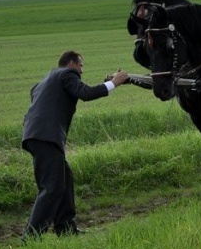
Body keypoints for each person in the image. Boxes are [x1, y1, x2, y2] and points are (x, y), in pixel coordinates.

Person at [22, 51, 128, 239]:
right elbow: (85, 93)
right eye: (81, 66)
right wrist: (115, 83)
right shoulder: (67, 74)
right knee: (51, 188)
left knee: (64, 180)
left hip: (35, 136)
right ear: (72, 64)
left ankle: (66, 229)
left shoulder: (43, 82)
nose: (82, 71)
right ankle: (31, 237)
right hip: (46, 137)